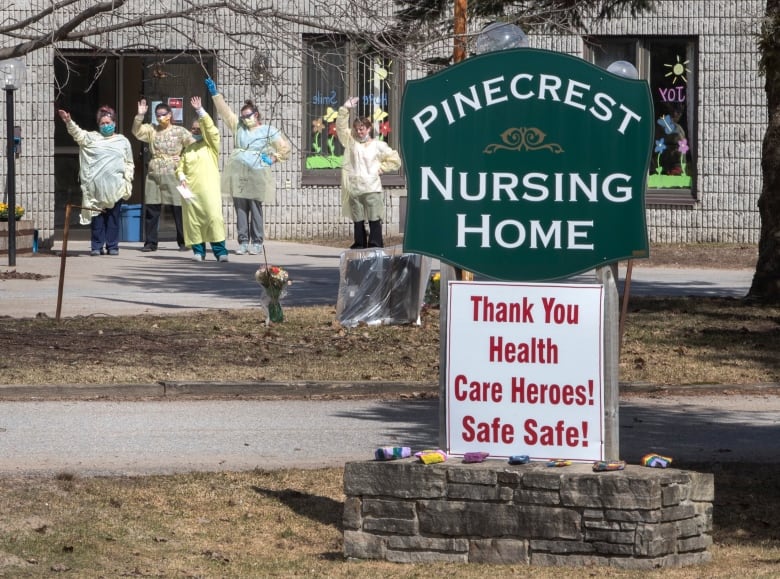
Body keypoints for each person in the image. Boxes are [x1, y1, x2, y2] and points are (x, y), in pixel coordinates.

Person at [204, 77, 290, 255]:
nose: (244, 119)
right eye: (242, 116)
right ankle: (243, 241)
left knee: (255, 208)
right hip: (239, 172)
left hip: (257, 172)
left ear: (256, 115)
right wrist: (215, 94)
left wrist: (273, 158)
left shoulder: (268, 131)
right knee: (240, 207)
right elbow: (226, 112)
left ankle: (257, 241)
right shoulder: (239, 128)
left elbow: (284, 147)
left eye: (247, 116)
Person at [57, 105, 134, 256]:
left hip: (116, 188)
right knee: (97, 218)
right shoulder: (92, 138)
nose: (106, 126)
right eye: (103, 123)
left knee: (113, 219)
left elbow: (129, 162)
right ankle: (96, 246)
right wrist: (68, 121)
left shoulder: (122, 141)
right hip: (95, 189)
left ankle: (112, 246)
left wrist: (128, 179)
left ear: (114, 123)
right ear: (98, 125)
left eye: (108, 122)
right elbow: (78, 134)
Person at [336, 96, 402, 249]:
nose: (359, 132)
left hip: (372, 188)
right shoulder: (351, 142)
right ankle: (359, 243)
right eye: (357, 129)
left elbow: (395, 158)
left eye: (362, 129)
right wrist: (344, 109)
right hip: (355, 188)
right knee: (357, 219)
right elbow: (340, 128)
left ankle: (375, 244)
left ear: (369, 128)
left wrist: (382, 168)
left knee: (374, 218)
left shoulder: (377, 145)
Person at [132, 99, 195, 252]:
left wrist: (182, 158)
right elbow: (136, 131)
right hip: (154, 174)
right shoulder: (152, 130)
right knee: (152, 208)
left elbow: (193, 146)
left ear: (170, 114)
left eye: (163, 114)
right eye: (158, 115)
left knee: (178, 208)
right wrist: (140, 116)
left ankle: (183, 241)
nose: (161, 117)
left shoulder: (180, 131)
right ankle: (150, 243)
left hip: (173, 173)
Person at [176, 96, 229, 262]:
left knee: (214, 218)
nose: (195, 131)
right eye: (193, 129)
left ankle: (220, 252)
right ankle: (198, 252)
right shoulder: (188, 149)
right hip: (190, 192)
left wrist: (200, 111)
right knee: (194, 222)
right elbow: (180, 167)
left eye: (199, 129)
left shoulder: (211, 146)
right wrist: (182, 176)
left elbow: (212, 130)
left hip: (209, 191)